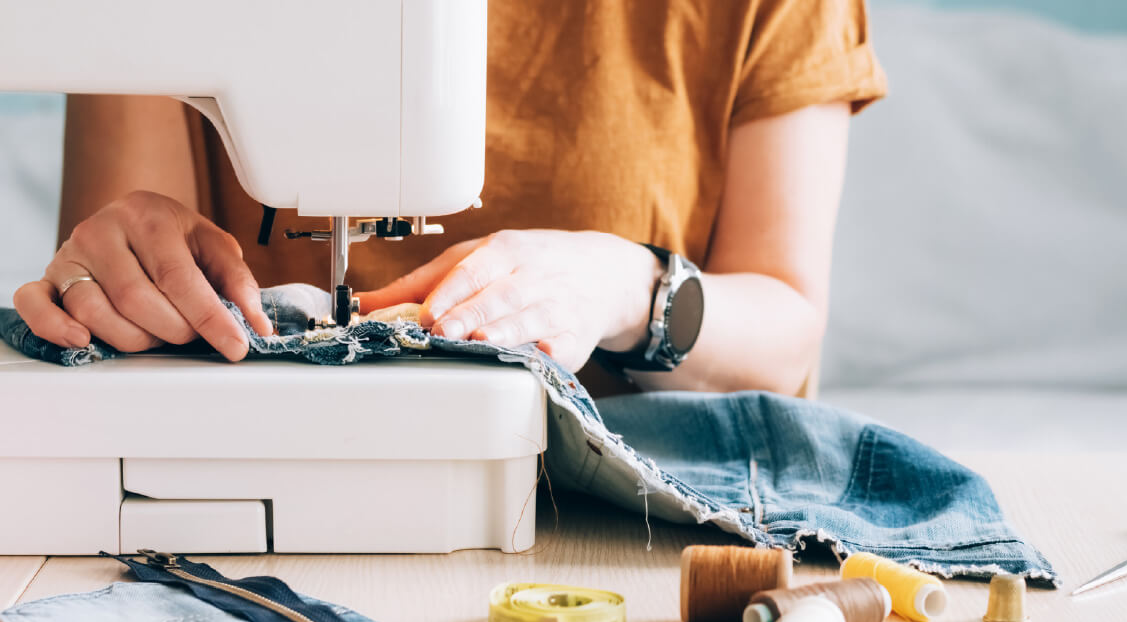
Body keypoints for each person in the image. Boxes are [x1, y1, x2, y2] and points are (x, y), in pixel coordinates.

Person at [13, 0, 885, 397]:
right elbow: (120, 322)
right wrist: (122, 257)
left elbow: (785, 325)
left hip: (625, 522)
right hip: (252, 509)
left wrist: (627, 288)